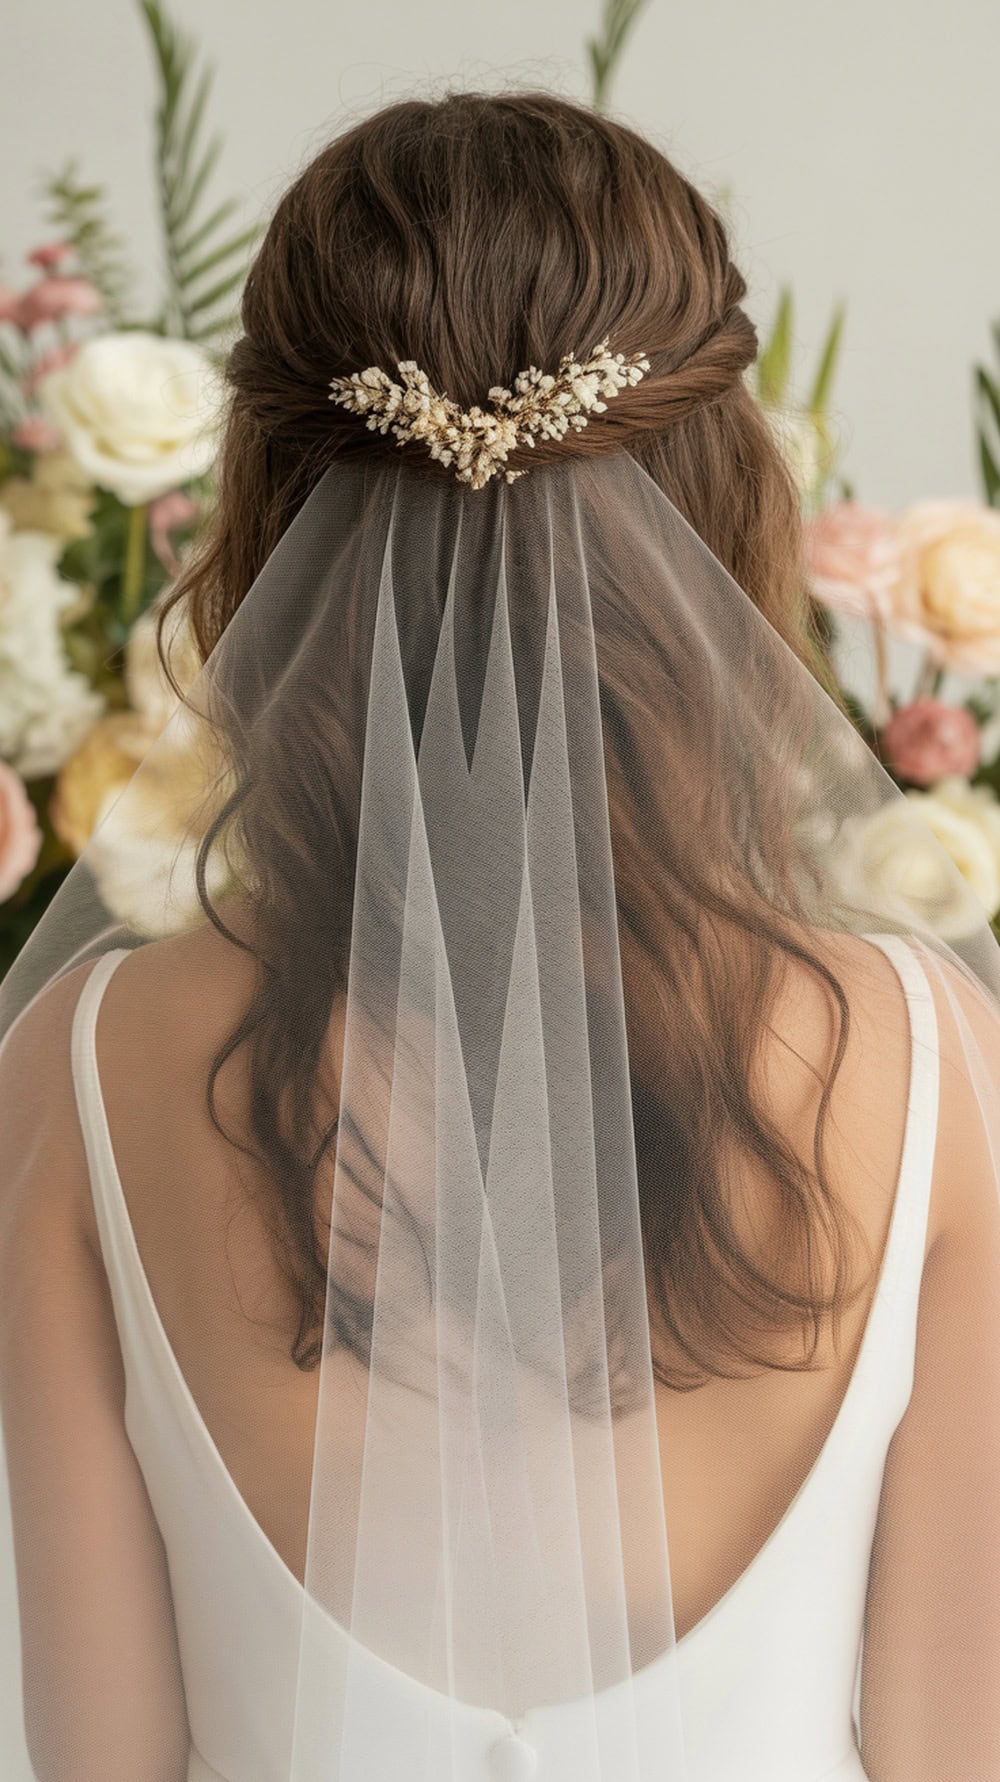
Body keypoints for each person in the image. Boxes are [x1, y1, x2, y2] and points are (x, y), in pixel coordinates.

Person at [1, 89, 999, 1782]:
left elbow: (106, 1760)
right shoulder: (930, 1063)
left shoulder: (85, 1070)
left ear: (267, 508)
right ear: (718, 497)